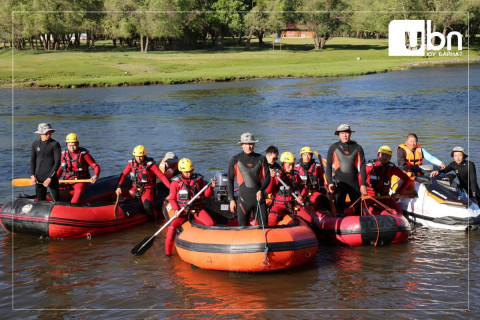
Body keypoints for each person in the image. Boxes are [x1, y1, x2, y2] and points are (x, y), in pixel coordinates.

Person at [165, 158, 216, 256]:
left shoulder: (198, 180)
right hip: (182, 211)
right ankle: (168, 254)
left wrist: (211, 187)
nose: (189, 173)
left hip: (197, 209)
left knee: (211, 224)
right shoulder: (175, 183)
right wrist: (176, 210)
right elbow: (172, 199)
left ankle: (209, 248)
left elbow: (206, 194)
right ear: (181, 170)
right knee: (172, 227)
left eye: (190, 171)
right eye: (186, 172)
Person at [116, 145, 170, 220]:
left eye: (141, 156)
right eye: (137, 156)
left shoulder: (151, 165)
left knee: (147, 206)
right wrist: (119, 186)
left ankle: (153, 220)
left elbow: (162, 176)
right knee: (123, 198)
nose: (138, 158)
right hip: (135, 187)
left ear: (144, 155)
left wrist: (170, 188)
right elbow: (124, 175)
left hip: (147, 189)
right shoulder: (131, 164)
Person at [227, 132, 270, 226]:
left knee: (264, 226)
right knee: (243, 228)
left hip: (259, 199)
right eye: (246, 144)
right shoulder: (235, 159)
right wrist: (232, 199)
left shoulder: (261, 158)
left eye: (251, 143)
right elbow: (230, 180)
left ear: (254, 144)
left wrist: (261, 190)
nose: (248, 146)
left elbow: (267, 178)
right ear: (242, 145)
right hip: (243, 200)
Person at [326, 124, 367, 215]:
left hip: (354, 184)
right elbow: (328, 166)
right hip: (340, 184)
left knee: (358, 210)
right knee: (339, 210)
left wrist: (363, 184)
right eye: (342, 133)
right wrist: (330, 183)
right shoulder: (334, 147)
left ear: (350, 134)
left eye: (347, 133)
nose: (345, 135)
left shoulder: (358, 147)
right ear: (338, 134)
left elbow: (363, 165)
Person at [266, 152, 312, 226]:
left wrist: (301, 196)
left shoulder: (295, 175)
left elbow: (303, 188)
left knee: (309, 219)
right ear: (283, 164)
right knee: (272, 219)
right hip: (279, 205)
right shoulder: (277, 175)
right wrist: (271, 178)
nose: (291, 167)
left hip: (292, 204)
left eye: (293, 164)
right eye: (289, 165)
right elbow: (268, 191)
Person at [56, 133, 100, 203]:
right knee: (54, 188)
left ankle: (72, 207)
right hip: (67, 180)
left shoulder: (84, 155)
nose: (72, 148)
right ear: (67, 145)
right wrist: (54, 180)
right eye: (70, 145)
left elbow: (95, 166)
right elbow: (60, 169)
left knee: (78, 190)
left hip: (81, 180)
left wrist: (96, 175)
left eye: (74, 145)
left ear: (78, 144)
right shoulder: (63, 155)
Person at [30, 123, 61, 201]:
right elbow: (32, 160)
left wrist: (49, 178)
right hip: (38, 178)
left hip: (51, 178)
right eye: (46, 133)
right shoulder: (35, 143)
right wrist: (32, 176)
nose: (49, 135)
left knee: (56, 202)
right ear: (40, 133)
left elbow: (57, 162)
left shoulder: (55, 144)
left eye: (50, 132)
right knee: (40, 202)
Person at [294, 146, 330, 210]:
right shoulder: (296, 168)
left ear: (311, 156)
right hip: (301, 194)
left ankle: (328, 214)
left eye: (309, 155)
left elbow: (323, 180)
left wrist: (326, 191)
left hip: (314, 192)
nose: (307, 157)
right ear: (301, 156)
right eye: (305, 155)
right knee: (298, 204)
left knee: (324, 200)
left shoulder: (317, 167)